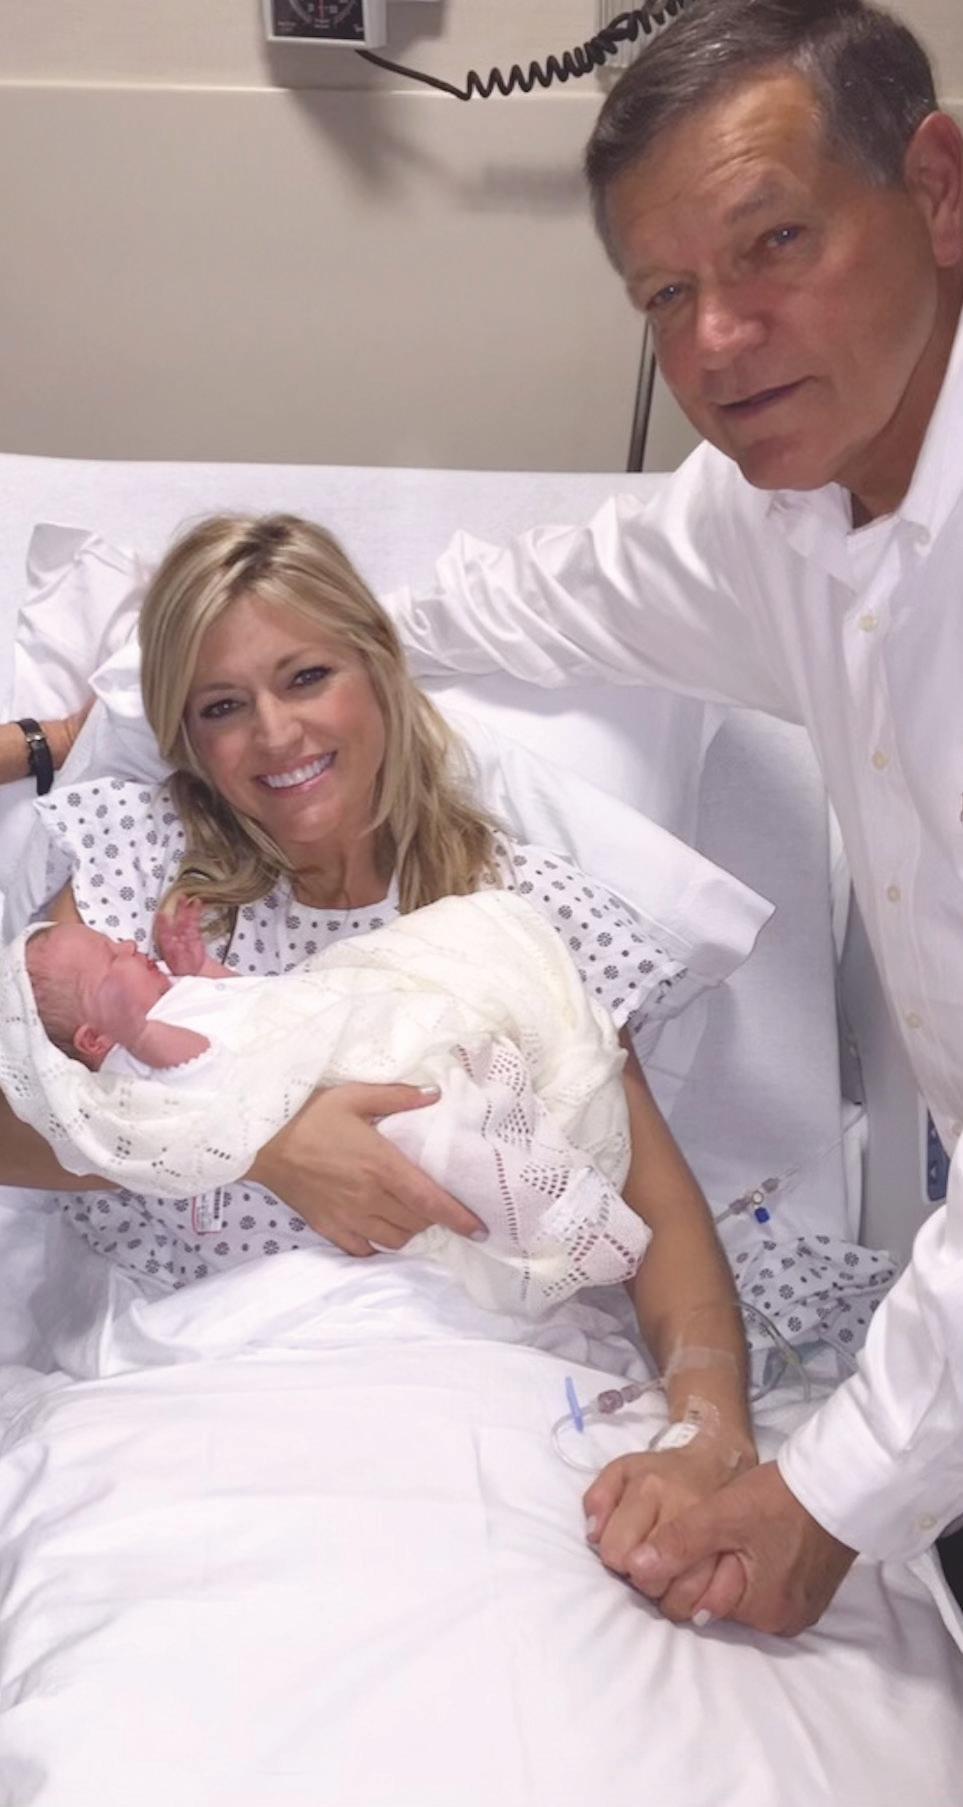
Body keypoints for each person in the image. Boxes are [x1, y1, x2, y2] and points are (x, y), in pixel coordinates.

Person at [363, 0, 963, 1635]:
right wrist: (268, 656)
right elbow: (540, 596)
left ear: (933, 189)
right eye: (663, 296)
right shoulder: (781, 501)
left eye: (772, 242)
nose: (715, 342)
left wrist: (821, 1496)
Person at [0, 508, 762, 1560]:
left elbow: (654, 1206)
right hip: (201, 1380)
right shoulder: (146, 869)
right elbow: (10, 1123)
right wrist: (260, 1146)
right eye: (223, 706)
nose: (275, 733)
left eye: (306, 677)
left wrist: (708, 1433)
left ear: (379, 668)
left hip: (471, 1369)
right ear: (188, 739)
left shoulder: (512, 908)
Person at [12, 894, 655, 1317]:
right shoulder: (133, 1070)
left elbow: (255, 1007)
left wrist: (199, 968)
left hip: (346, 1051)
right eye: (111, 963)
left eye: (116, 941)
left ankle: (531, 1148)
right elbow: (204, 1065)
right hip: (361, 1114)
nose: (128, 947)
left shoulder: (169, 1002)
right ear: (96, 1039)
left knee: (460, 1101)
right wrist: (141, 1034)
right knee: (442, 1144)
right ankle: (570, 1223)